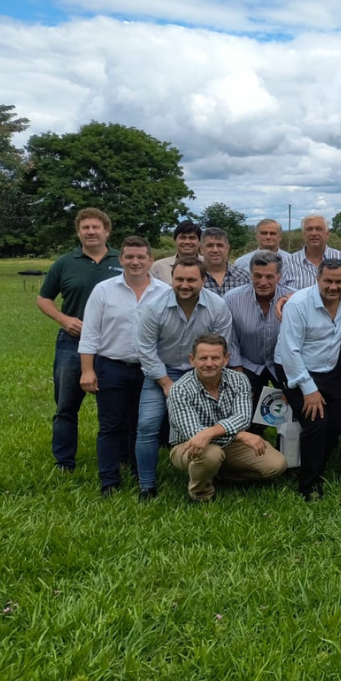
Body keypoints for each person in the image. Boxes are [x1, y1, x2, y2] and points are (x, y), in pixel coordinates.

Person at [134, 258, 233, 501]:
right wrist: (167, 383)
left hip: (202, 371)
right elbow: (145, 349)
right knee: (147, 425)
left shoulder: (217, 306)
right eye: (179, 279)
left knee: (210, 423)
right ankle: (147, 485)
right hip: (161, 372)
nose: (185, 284)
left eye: (191, 280)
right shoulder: (153, 307)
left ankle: (212, 473)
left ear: (203, 280)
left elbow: (219, 346)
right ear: (172, 280)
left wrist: (203, 378)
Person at [78, 236, 169, 495]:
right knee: (111, 425)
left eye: (141, 257)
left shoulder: (164, 292)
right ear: (121, 260)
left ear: (151, 260)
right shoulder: (104, 290)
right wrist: (87, 369)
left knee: (140, 424)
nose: (135, 262)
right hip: (111, 365)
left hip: (148, 368)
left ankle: (139, 472)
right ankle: (109, 480)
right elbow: (90, 333)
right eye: (129, 257)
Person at [37, 207, 125, 473]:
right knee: (66, 404)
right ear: (78, 232)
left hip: (111, 344)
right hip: (72, 342)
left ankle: (118, 456)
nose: (91, 232)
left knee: (114, 406)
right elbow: (43, 299)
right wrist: (64, 320)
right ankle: (64, 460)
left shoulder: (121, 261)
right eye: (85, 228)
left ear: (107, 231)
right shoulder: (65, 262)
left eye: (96, 227)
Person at [168, 334, 287, 502]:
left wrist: (212, 432)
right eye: (203, 358)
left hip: (230, 444)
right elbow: (194, 434)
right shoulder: (180, 389)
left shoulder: (239, 380)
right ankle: (201, 495)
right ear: (192, 360)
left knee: (277, 465)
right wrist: (240, 435)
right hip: (188, 447)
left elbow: (243, 418)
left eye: (215, 358)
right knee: (211, 454)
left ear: (226, 359)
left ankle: (218, 475)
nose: (209, 363)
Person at [275, 258, 341, 501]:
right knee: (315, 424)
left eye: (339, 281)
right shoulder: (297, 304)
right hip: (294, 368)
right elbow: (290, 351)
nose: (333, 286)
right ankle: (308, 484)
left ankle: (312, 464)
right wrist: (308, 390)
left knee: (336, 424)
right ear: (317, 279)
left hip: (328, 369)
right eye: (327, 280)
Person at [224, 252, 293, 423]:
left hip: (283, 364)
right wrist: (239, 376)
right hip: (248, 363)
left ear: (279, 276)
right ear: (250, 275)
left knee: (290, 412)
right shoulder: (232, 299)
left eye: (269, 276)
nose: (263, 282)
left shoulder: (294, 298)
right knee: (244, 411)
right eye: (257, 276)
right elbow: (230, 339)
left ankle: (285, 445)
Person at [280, 214, 341, 290]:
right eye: (309, 229)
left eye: (319, 229)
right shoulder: (287, 263)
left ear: (327, 234)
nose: (314, 233)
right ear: (303, 234)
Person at [199, 227, 250, 296]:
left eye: (220, 245)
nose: (215, 250)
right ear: (201, 249)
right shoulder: (193, 278)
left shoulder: (244, 277)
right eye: (210, 245)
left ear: (227, 248)